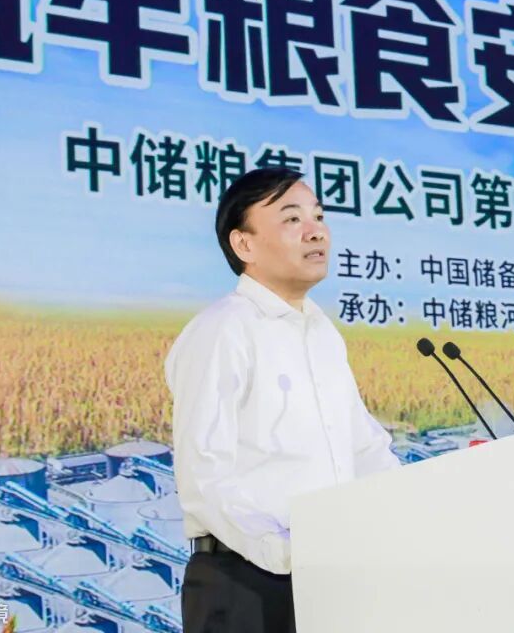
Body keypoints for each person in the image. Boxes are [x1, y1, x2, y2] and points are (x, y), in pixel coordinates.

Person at [165, 166, 402, 633]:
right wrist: (287, 551)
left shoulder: (323, 335)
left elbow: (365, 450)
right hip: (247, 582)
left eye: (319, 216)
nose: (316, 231)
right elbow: (204, 475)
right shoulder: (223, 329)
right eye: (292, 219)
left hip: (329, 579)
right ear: (244, 245)